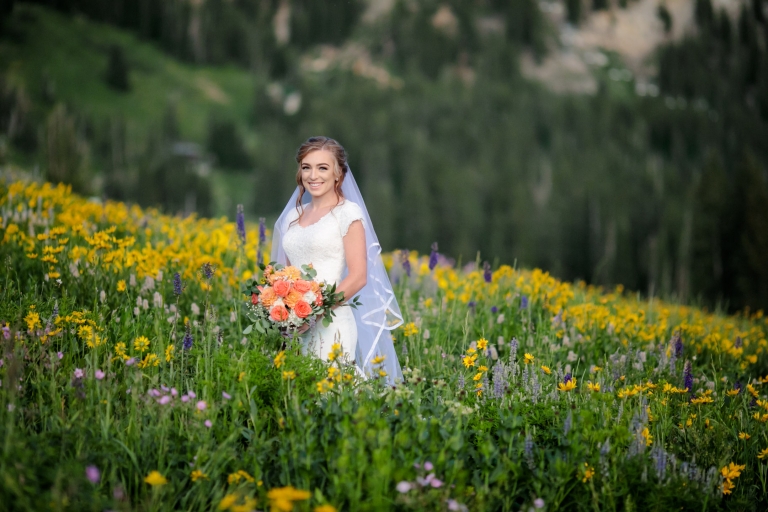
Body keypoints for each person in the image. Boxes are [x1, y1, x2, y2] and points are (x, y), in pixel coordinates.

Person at [270, 136, 403, 383]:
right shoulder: (291, 217)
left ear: (338, 173)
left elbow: (358, 276)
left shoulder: (347, 213)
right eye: (306, 167)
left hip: (332, 323)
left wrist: (313, 314)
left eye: (322, 168)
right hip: (295, 327)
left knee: (331, 390)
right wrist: (283, 311)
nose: (313, 175)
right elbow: (283, 275)